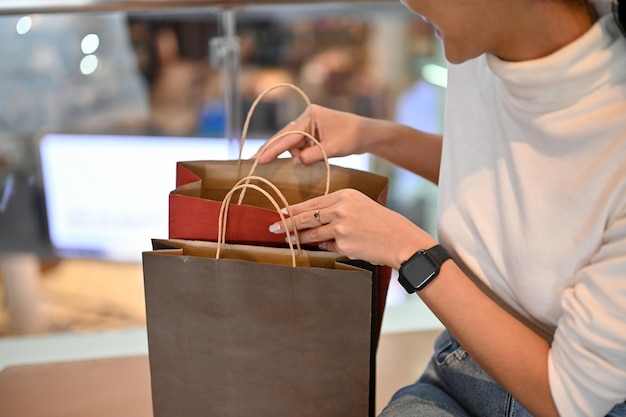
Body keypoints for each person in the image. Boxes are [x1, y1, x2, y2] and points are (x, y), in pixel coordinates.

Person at [256, 0, 626, 416]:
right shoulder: (480, 43)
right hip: (456, 366)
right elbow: (504, 173)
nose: (407, 2)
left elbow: (566, 399)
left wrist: (409, 252)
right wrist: (373, 134)